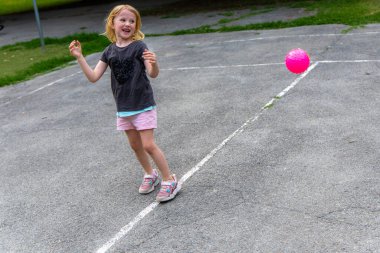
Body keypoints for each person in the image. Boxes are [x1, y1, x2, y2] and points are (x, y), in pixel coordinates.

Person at [69, 4, 180, 202]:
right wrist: (79, 58)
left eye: (132, 21)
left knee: (148, 145)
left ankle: (169, 179)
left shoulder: (139, 47)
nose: (127, 24)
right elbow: (93, 77)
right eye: (123, 20)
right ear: (112, 23)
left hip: (143, 104)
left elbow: (152, 74)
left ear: (136, 26)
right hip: (124, 108)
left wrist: (154, 63)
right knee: (135, 145)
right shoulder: (109, 51)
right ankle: (150, 174)